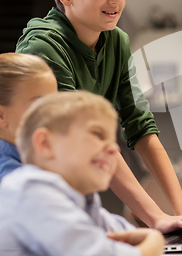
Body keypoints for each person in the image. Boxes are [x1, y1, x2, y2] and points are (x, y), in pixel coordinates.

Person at [16, 0, 182, 231]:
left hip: (72, 185)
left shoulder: (116, 41)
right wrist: (156, 218)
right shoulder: (43, 46)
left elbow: (140, 127)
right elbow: (86, 139)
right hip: (27, 188)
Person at [0, 91, 164, 255]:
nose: (114, 149)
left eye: (112, 140)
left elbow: (125, 235)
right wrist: (154, 243)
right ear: (45, 144)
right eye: (97, 134)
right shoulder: (31, 190)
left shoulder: (83, 200)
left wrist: (148, 241)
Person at [0, 53, 58, 183]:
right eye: (38, 105)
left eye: (53, 103)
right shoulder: (14, 180)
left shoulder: (41, 155)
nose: (52, 114)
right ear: (1, 115)